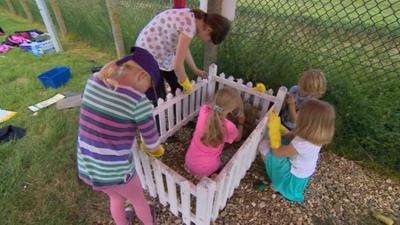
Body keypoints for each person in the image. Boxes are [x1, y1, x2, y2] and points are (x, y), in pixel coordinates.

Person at [77, 47, 165, 225]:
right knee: (137, 199)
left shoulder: (94, 82)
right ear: (142, 77)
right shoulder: (139, 102)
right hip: (116, 170)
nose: (144, 93)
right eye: (146, 88)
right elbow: (151, 142)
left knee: (115, 198)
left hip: (88, 167)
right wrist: (156, 150)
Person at [134, 8, 231, 104]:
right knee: (159, 97)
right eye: (209, 40)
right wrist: (187, 84)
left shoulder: (195, 18)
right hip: (147, 52)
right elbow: (178, 66)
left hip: (161, 51)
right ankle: (156, 118)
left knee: (176, 86)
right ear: (209, 29)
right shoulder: (190, 25)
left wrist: (195, 69)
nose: (206, 42)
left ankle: (176, 114)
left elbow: (183, 49)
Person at [259, 99, 335, 202]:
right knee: (281, 142)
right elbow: (290, 136)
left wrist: (274, 131)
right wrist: (280, 127)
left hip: (291, 177)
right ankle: (278, 177)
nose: (297, 112)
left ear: (308, 122)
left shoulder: (304, 144)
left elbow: (277, 152)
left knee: (264, 146)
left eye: (301, 112)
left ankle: (278, 183)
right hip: (301, 173)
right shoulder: (313, 135)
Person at [185, 87, 244, 177]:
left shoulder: (204, 110)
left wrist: (218, 107)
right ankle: (214, 174)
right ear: (232, 110)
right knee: (232, 152)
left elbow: (210, 106)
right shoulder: (230, 127)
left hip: (189, 161)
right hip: (206, 170)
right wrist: (241, 122)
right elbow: (238, 138)